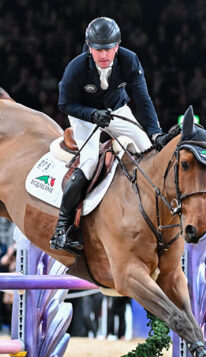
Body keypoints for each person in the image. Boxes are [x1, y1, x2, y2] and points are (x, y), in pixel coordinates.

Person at [52, 17, 166, 253]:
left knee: (147, 150)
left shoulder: (129, 60)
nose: (103, 55)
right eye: (97, 50)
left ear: (117, 46)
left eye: (108, 49)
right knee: (91, 161)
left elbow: (143, 100)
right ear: (89, 47)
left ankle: (154, 218)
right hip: (84, 115)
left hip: (116, 110)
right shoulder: (76, 67)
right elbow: (64, 103)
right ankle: (62, 229)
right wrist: (92, 114)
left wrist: (155, 133)